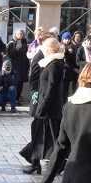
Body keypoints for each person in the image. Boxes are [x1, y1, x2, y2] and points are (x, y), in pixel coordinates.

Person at [24, 37, 65, 174]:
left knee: (53, 138)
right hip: (45, 106)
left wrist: (44, 105)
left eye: (45, 47)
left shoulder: (55, 64)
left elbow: (52, 87)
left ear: (50, 49)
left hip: (49, 108)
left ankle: (59, 163)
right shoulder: (50, 62)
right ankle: (35, 161)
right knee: (38, 133)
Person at [6, 28, 29, 103]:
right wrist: (16, 49)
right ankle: (13, 99)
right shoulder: (11, 43)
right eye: (18, 34)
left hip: (23, 66)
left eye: (22, 34)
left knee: (21, 83)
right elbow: (10, 55)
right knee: (15, 82)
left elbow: (25, 54)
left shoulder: (24, 42)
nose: (20, 35)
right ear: (15, 34)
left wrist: (28, 66)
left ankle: (18, 98)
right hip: (15, 66)